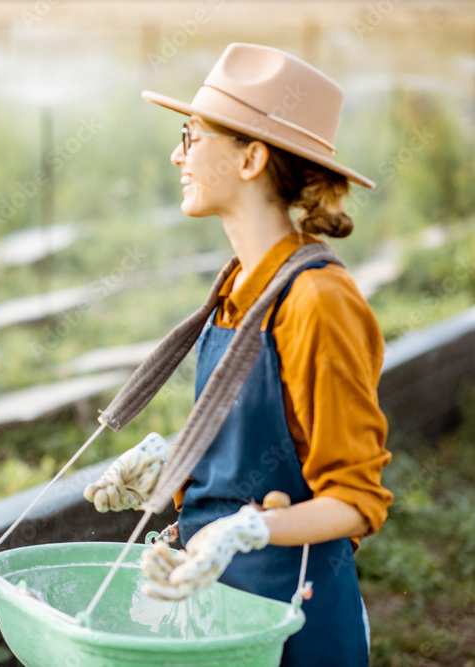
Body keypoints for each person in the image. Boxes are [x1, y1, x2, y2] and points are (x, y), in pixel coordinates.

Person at [84, 43, 393, 665]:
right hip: (223, 614)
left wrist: (244, 528)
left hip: (293, 622)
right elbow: (272, 447)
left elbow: (356, 499)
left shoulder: (317, 302)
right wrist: (179, 463)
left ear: (251, 157)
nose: (177, 154)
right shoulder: (238, 288)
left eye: (191, 136)